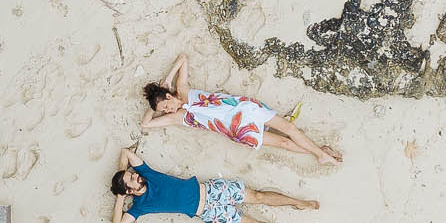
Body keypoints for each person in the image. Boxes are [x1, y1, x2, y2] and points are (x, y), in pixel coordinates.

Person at [140, 52, 342, 164]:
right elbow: (146, 124)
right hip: (238, 130)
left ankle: (321, 153)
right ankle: (319, 152)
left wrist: (167, 81)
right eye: (164, 111)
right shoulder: (178, 117)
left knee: (289, 129)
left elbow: (183, 57)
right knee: (284, 143)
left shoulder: (183, 90)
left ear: (169, 95)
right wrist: (154, 107)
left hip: (244, 109)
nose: (167, 111)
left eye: (165, 105)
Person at [109, 149, 316, 223]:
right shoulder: (140, 207)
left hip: (211, 191)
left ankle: (297, 203)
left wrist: (121, 175)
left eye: (132, 173)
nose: (135, 175)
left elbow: (126, 153)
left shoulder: (148, 174)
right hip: (209, 213)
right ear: (129, 191)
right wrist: (120, 197)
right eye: (132, 179)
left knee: (258, 196)